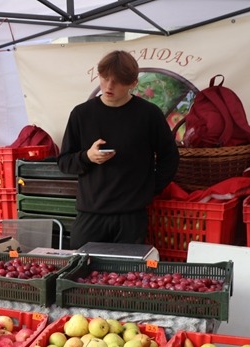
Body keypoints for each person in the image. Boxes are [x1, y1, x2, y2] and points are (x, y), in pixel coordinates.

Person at [58, 50, 179, 249]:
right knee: (81, 275)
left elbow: (170, 158)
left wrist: (149, 188)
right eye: (105, 78)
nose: (109, 86)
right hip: (90, 214)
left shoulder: (149, 114)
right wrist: (87, 156)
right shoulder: (81, 114)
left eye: (118, 81)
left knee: (127, 276)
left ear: (133, 83)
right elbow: (64, 162)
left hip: (131, 216)